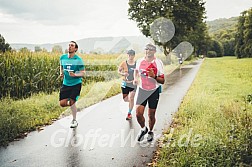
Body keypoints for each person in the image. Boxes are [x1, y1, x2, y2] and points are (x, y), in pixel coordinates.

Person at [133, 44, 165, 142]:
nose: (148, 51)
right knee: (138, 114)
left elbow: (162, 81)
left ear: (154, 51)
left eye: (150, 49)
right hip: (142, 90)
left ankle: (150, 131)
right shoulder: (139, 61)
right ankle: (143, 129)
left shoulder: (158, 63)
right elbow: (136, 71)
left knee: (151, 115)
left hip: (153, 91)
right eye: (146, 49)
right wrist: (135, 78)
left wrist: (154, 77)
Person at [59, 41, 85, 128]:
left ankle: (74, 120)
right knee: (62, 103)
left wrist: (75, 75)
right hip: (66, 84)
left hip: (76, 84)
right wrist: (61, 73)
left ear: (75, 49)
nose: (69, 47)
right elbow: (61, 66)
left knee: (72, 103)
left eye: (72, 45)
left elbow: (83, 73)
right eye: (69, 45)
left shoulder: (78, 60)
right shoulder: (62, 57)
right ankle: (74, 105)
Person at [118, 49, 137, 120]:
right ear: (127, 55)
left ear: (134, 55)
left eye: (131, 55)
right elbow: (119, 71)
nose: (130, 56)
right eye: (129, 55)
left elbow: (138, 72)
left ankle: (129, 113)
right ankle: (131, 102)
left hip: (133, 83)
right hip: (125, 83)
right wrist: (123, 73)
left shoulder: (136, 63)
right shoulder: (124, 63)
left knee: (131, 97)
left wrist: (136, 78)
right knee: (125, 99)